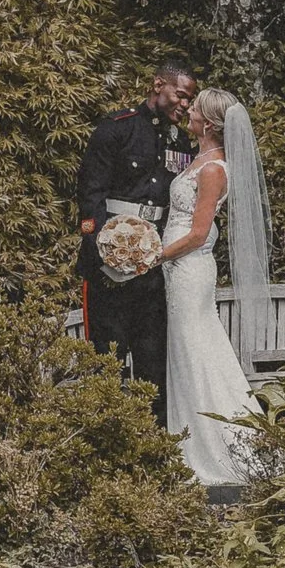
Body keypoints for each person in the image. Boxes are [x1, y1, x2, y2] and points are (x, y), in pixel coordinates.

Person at [150, 86, 269, 487]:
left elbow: (200, 233)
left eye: (195, 109)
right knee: (188, 351)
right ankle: (186, 444)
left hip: (188, 268)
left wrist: (156, 256)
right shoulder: (199, 159)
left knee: (195, 349)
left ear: (211, 124)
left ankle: (220, 449)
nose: (189, 111)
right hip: (177, 268)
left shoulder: (214, 169)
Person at [75, 61, 199, 425]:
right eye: (181, 94)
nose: (185, 105)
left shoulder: (182, 141)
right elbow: (90, 195)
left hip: (155, 269)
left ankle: (153, 447)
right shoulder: (117, 130)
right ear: (158, 84)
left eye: (190, 100)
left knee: (152, 363)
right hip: (108, 268)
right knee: (106, 360)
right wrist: (103, 253)